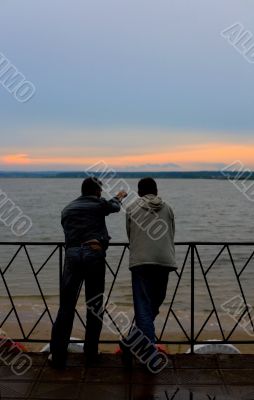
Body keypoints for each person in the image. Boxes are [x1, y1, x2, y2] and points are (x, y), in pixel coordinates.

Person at [50, 177, 127, 368]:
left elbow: (68, 233)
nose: (101, 193)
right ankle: (91, 353)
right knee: (94, 305)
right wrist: (120, 195)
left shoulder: (67, 209)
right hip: (93, 254)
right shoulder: (97, 203)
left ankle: (58, 355)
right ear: (96, 191)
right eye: (100, 190)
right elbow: (114, 207)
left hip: (72, 255)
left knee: (66, 306)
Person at [120, 177, 176, 370]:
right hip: (164, 261)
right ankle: (146, 352)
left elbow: (130, 235)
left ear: (139, 191)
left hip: (141, 262)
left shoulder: (131, 208)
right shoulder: (167, 208)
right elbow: (172, 233)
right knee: (154, 303)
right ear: (156, 191)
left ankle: (136, 346)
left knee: (145, 306)